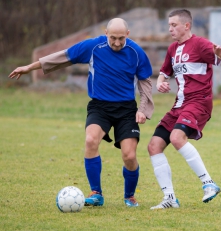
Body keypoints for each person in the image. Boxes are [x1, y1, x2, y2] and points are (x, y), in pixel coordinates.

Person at [9, 18, 154, 207]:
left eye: (120, 38)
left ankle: (129, 196)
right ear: (106, 34)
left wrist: (142, 110)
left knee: (129, 156)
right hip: (99, 106)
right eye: (112, 38)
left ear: (127, 34)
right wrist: (30, 67)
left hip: (126, 109)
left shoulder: (136, 53)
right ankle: (96, 194)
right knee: (90, 140)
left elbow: (145, 83)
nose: (117, 43)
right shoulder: (94, 46)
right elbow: (63, 57)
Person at [147, 9, 221, 210]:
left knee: (176, 138)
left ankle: (208, 184)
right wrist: (160, 83)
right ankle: (170, 198)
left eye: (174, 25)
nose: (170, 29)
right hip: (179, 104)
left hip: (198, 102)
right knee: (154, 146)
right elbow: (163, 73)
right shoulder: (172, 49)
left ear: (186, 25)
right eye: (169, 25)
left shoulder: (200, 44)